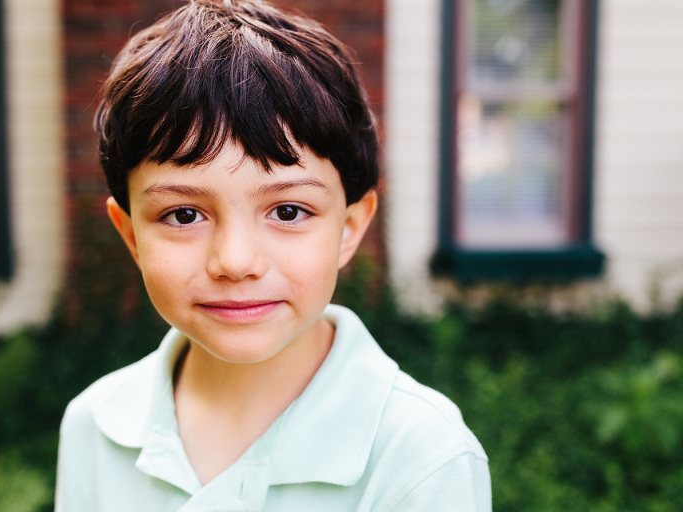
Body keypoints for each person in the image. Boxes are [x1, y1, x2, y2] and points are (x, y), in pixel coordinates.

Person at [54, 0, 491, 510]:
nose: (236, 262)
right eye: (184, 215)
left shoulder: (422, 456)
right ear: (131, 236)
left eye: (287, 211)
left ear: (349, 229)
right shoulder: (95, 425)